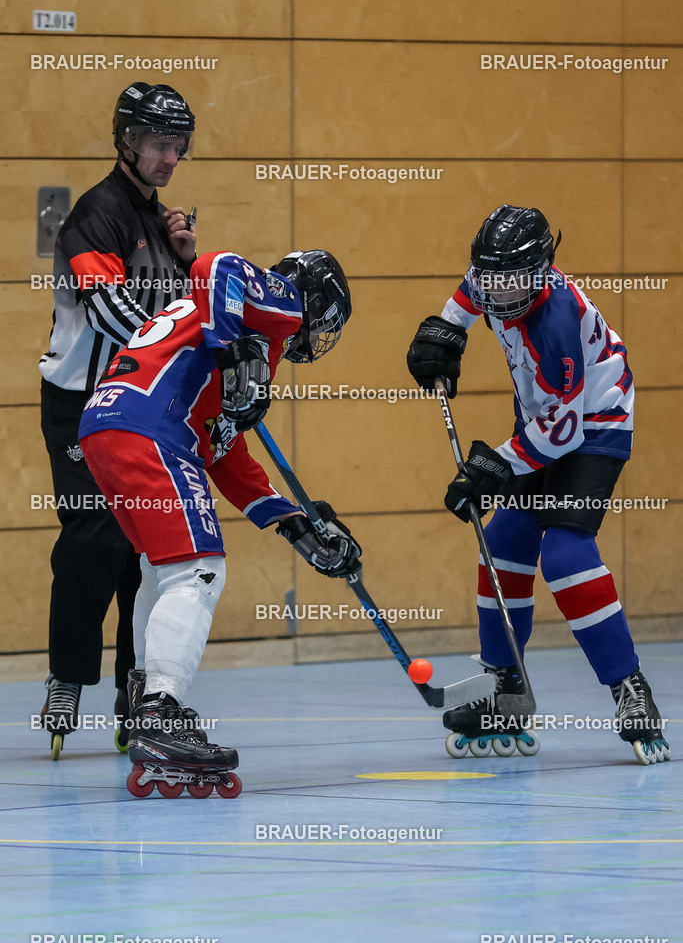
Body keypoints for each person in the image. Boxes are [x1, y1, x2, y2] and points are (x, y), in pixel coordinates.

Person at [78, 248, 361, 797]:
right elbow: (217, 263)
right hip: (149, 426)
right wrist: (235, 352)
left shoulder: (231, 328)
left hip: (109, 424)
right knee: (199, 570)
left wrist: (293, 522)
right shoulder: (283, 306)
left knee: (160, 570)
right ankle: (161, 709)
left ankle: (145, 703)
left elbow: (223, 453)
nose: (315, 336)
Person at [407, 204, 669, 765]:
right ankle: (504, 684)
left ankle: (630, 689)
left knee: (567, 554)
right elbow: (468, 295)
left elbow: (565, 428)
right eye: (490, 279)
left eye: (510, 282)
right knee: (503, 542)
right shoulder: (497, 275)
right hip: (543, 421)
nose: (497, 295)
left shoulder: (556, 322)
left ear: (543, 269)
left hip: (593, 427)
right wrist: (446, 332)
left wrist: (491, 468)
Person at [39, 82, 197, 758]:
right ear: (126, 141)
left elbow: (179, 308)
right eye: (161, 144)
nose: (171, 157)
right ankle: (69, 678)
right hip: (79, 405)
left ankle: (136, 694)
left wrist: (188, 264)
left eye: (179, 146)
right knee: (95, 538)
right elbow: (110, 313)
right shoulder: (94, 215)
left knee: (145, 550)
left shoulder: (162, 228)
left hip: (136, 405)